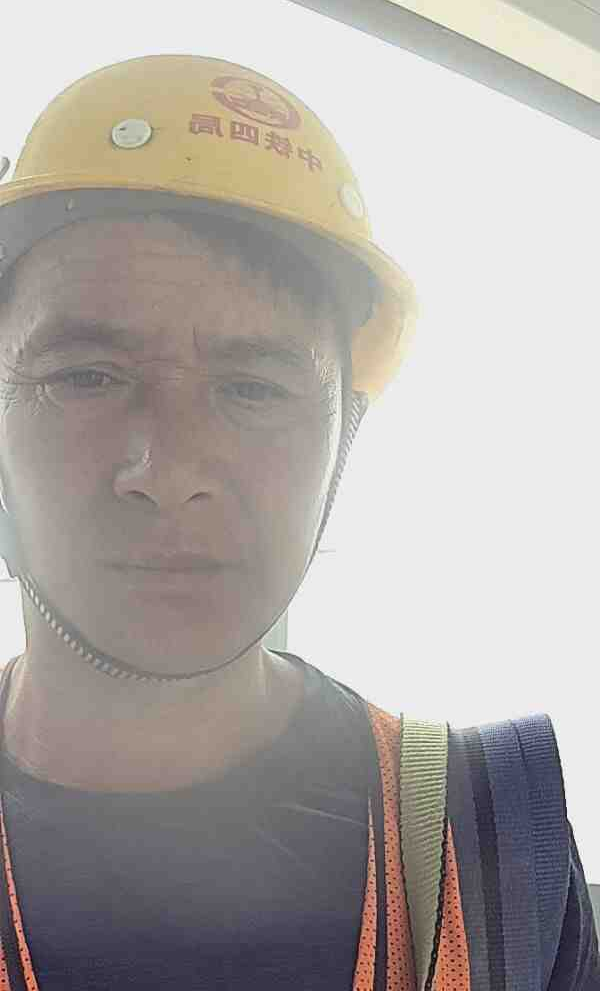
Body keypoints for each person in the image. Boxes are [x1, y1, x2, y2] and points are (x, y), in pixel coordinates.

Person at [0, 54, 596, 991]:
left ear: (342, 441)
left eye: (253, 389)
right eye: (85, 377)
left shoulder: (494, 842)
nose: (170, 475)